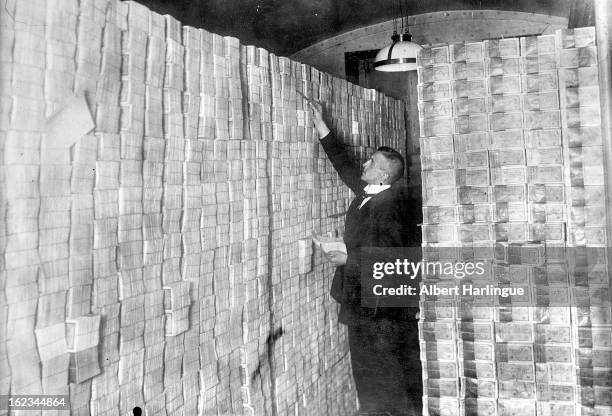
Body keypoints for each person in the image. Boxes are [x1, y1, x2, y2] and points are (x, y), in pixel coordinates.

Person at [308, 101, 422, 416]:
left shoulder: (390, 207)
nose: (364, 165)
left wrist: (345, 256)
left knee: (383, 367)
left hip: (378, 308)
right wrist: (322, 128)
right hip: (361, 300)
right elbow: (346, 168)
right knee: (365, 363)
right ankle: (373, 411)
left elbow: (388, 260)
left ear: (384, 175)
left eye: (370, 162)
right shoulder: (372, 192)